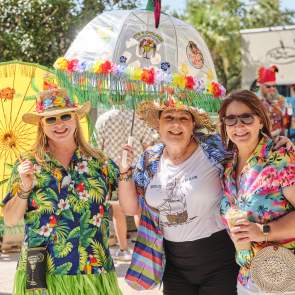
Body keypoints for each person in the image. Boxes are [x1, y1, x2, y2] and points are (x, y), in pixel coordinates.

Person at [2, 88, 122, 295]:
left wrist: (127, 171)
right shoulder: (27, 163)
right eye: (50, 119)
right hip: (43, 273)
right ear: (41, 124)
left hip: (92, 271)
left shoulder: (101, 163)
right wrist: (25, 187)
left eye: (65, 116)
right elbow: (11, 220)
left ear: (76, 119)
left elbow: (128, 206)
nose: (59, 124)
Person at [118, 96, 239, 295]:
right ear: (158, 124)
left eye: (184, 118)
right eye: (169, 117)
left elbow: (248, 152)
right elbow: (131, 208)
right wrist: (124, 170)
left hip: (220, 261)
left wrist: (276, 144)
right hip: (173, 265)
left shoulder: (214, 149)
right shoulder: (150, 158)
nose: (176, 124)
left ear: (193, 125)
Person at [219, 90, 295, 295]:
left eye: (246, 117)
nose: (239, 126)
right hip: (246, 277)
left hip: (284, 276)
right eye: (231, 119)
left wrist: (263, 230)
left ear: (260, 121)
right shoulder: (227, 164)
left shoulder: (280, 157)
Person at [95, 108, 157, 261]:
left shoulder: (103, 118)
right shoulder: (139, 117)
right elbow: (148, 145)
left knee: (117, 210)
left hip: (111, 168)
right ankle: (146, 249)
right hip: (136, 166)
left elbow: (97, 147)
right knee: (139, 209)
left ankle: (123, 249)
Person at [257, 65, 289, 137]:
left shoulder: (282, 100)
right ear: (261, 86)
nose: (272, 89)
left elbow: (288, 122)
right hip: (262, 142)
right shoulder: (256, 102)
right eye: (268, 86)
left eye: (274, 86)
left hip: (280, 141)